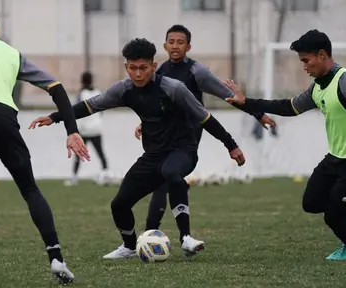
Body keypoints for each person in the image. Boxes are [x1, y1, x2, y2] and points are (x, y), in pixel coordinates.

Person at [29, 38, 246, 260]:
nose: (138, 74)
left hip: (183, 150)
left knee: (171, 171)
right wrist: (55, 117)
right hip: (152, 156)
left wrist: (231, 146)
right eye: (133, 68)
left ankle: (186, 238)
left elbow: (205, 119)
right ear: (126, 68)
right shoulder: (124, 90)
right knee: (119, 204)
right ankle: (130, 246)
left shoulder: (174, 89)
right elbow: (89, 106)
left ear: (153, 66)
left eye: (143, 68)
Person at [0, 3, 90, 286]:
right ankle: (57, 258)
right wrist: (71, 130)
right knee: (30, 189)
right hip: (6, 121)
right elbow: (55, 87)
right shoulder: (12, 53)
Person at [133, 24, 276, 230]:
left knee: (163, 178)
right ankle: (159, 232)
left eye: (180, 42)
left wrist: (258, 113)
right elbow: (159, 105)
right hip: (165, 135)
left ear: (188, 47)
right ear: (165, 45)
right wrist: (144, 123)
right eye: (171, 42)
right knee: (164, 179)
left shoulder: (196, 71)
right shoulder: (161, 70)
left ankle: (153, 234)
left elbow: (227, 95)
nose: (175, 46)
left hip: (188, 136)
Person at [224, 29, 346, 261]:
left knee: (333, 213)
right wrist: (247, 103)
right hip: (335, 158)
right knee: (312, 202)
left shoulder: (343, 81)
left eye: (306, 60)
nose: (304, 66)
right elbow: (288, 107)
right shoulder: (319, 86)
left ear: (322, 55)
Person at [64, 71, 109, 186]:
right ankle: (105, 174)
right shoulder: (98, 92)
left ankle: (74, 178)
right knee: (100, 153)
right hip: (96, 128)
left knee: (78, 154)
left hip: (84, 130)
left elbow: (74, 111)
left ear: (82, 81)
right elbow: (102, 111)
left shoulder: (81, 94)